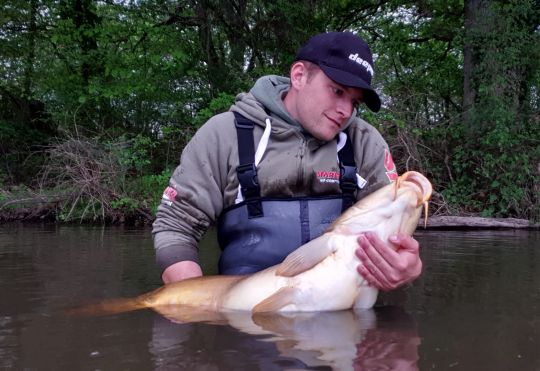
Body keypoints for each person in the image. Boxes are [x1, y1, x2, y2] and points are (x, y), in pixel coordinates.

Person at [152, 31, 422, 291]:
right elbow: (176, 225)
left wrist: (409, 266)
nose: (345, 111)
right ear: (299, 76)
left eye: (355, 102)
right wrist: (192, 298)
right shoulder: (224, 134)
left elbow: (394, 232)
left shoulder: (365, 142)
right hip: (244, 316)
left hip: (340, 313)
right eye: (338, 91)